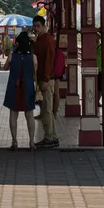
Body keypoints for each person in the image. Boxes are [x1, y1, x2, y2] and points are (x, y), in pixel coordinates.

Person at [1, 31, 37, 151]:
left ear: (17, 43)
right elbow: (35, 72)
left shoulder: (12, 56)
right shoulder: (33, 57)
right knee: (29, 115)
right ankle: (32, 143)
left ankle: (14, 142)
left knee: (13, 114)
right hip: (27, 86)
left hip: (14, 87)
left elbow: (5, 68)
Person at [32, 16, 60, 148]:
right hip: (42, 78)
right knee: (46, 109)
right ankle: (52, 136)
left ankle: (49, 137)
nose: (36, 28)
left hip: (46, 79)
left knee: (46, 110)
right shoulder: (41, 40)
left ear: (44, 26)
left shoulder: (47, 40)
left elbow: (49, 61)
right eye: (35, 26)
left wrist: (46, 79)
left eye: (38, 26)